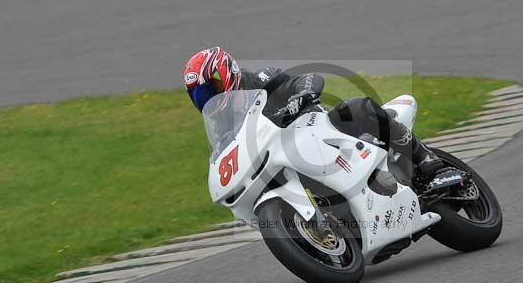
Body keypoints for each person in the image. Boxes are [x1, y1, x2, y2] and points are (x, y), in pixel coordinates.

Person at [183, 47, 446, 186]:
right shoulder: (219, 124)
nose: (206, 100)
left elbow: (306, 79)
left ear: (225, 75)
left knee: (357, 107)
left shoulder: (260, 79)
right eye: (198, 96)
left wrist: (303, 95)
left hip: (317, 128)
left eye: (209, 90)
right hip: (288, 156)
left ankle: (424, 158)